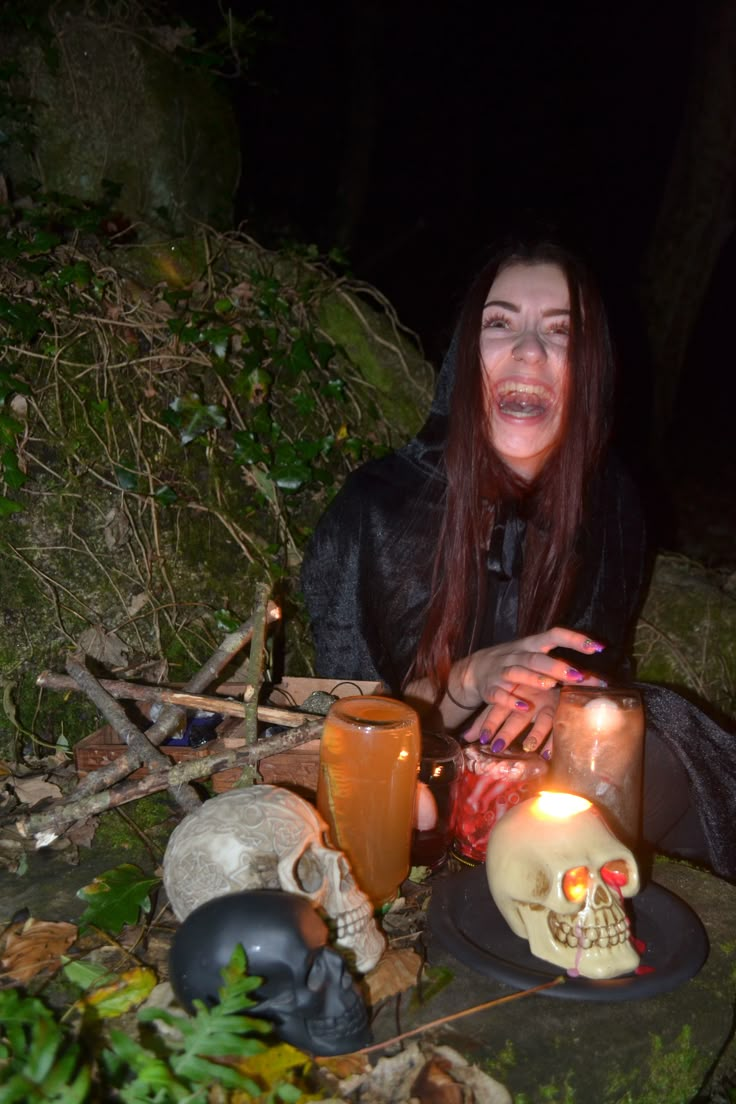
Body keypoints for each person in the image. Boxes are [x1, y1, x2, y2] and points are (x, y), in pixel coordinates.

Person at [301, 239, 736, 881]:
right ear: (465, 358)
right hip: (420, 793)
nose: (528, 350)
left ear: (587, 369)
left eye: (560, 332)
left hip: (558, 779)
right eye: (500, 323)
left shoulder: (610, 502)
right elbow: (345, 728)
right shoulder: (373, 511)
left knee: (648, 727)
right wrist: (469, 681)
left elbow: (595, 665)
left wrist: (560, 695)